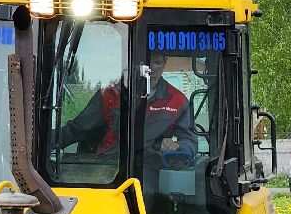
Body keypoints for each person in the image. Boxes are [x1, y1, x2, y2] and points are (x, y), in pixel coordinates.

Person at [55, 53, 195, 169]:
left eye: (157, 63)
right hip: (107, 167)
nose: (151, 69)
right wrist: (47, 143)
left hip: (149, 170)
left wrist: (177, 146)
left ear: (165, 62)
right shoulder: (110, 94)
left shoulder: (177, 101)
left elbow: (190, 141)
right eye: (146, 64)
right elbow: (76, 129)